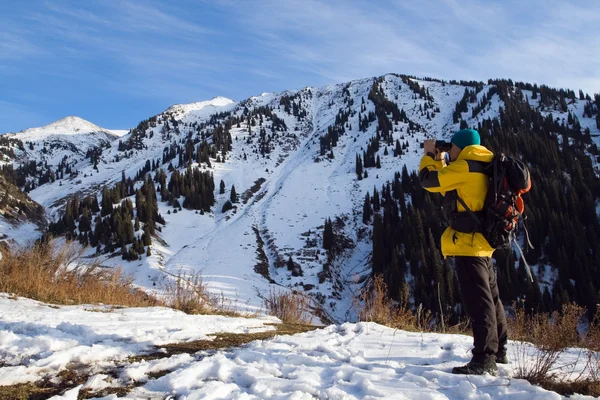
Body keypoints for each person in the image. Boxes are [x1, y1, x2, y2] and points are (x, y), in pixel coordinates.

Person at [419, 129, 508, 376]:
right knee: (492, 298)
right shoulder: (484, 163)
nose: (450, 153)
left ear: (460, 147)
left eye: (452, 149)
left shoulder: (466, 167)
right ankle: (499, 350)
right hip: (483, 243)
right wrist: (440, 158)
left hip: (469, 245)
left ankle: (484, 359)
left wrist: (428, 154)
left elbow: (430, 181)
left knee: (479, 303)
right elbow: (445, 183)